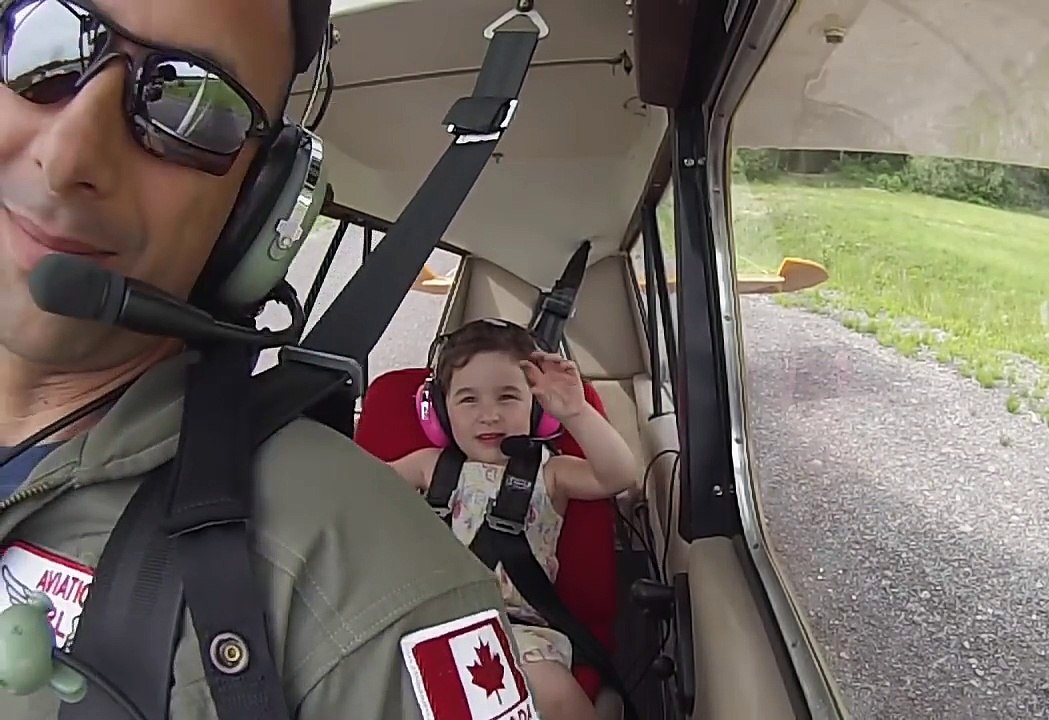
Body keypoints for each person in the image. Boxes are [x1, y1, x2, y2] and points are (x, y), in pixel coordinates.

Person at [0, 0, 543, 718]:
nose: (69, 156)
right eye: (38, 40)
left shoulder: (369, 595)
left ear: (261, 208)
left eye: (195, 105)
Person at [388, 319, 640, 720]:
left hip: (518, 629)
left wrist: (576, 413)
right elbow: (358, 491)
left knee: (551, 689)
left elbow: (619, 475)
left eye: (507, 397)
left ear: (538, 409)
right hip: (433, 622)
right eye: (468, 400)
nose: (489, 415)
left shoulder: (552, 473)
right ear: (438, 411)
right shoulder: (427, 467)